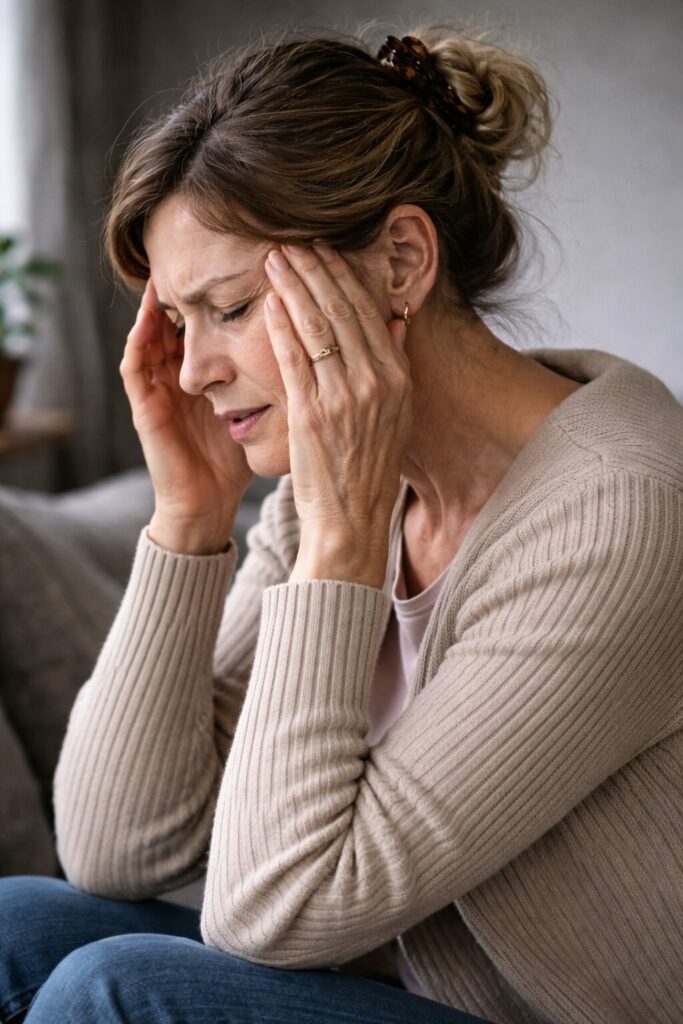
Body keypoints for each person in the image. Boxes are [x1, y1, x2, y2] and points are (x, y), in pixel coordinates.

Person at [1, 23, 681, 1024]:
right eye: (180, 324)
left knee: (114, 991)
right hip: (390, 989)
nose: (193, 374)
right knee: (13, 922)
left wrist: (341, 547)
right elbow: (113, 846)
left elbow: (272, 916)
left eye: (231, 308)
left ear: (400, 260)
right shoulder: (335, 488)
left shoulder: (618, 514)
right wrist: (189, 518)